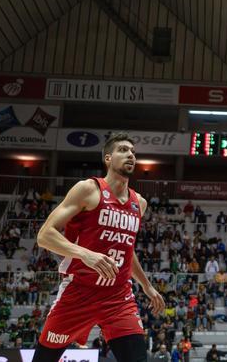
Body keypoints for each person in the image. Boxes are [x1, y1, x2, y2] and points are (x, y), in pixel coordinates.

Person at [34, 133, 166, 362]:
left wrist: (146, 285)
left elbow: (127, 250)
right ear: (108, 158)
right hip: (79, 293)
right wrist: (85, 254)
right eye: (123, 150)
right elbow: (44, 235)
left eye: (133, 152)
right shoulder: (88, 189)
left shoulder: (139, 203)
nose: (131, 155)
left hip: (118, 297)